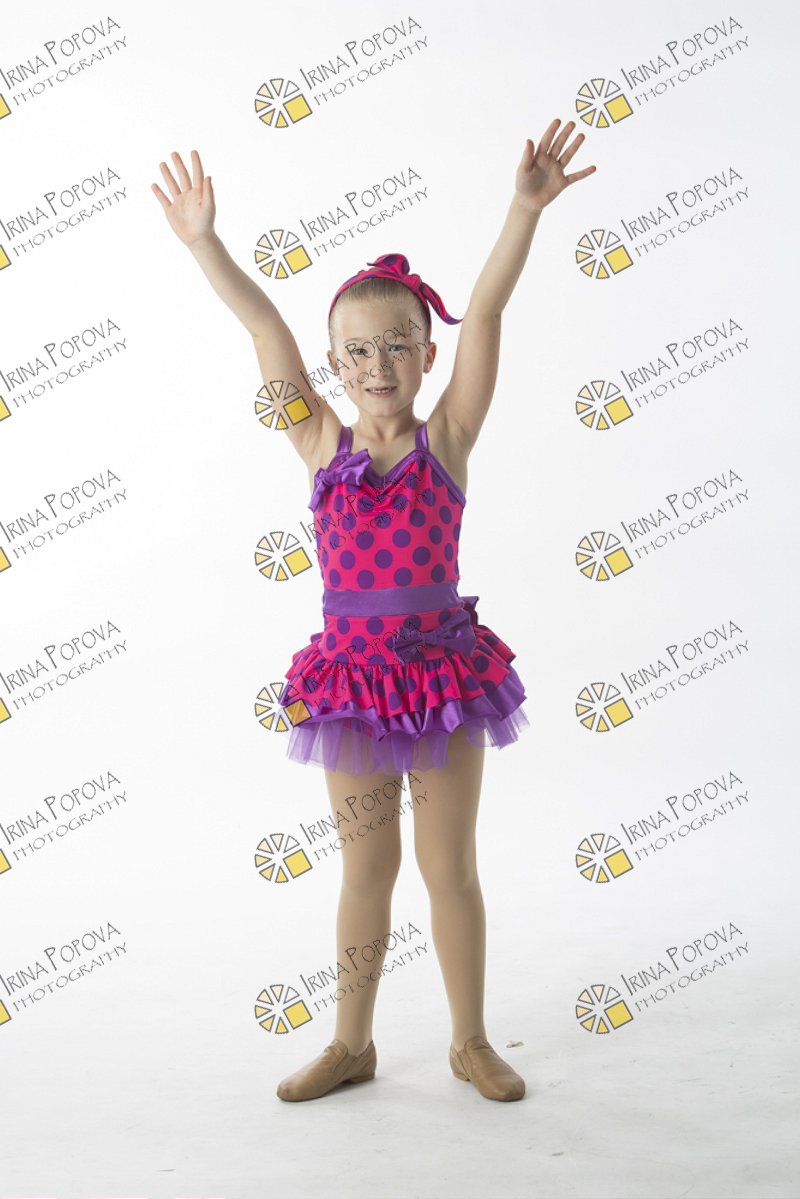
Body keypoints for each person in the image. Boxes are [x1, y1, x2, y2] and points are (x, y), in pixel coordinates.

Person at [151, 120, 596, 1103]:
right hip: (351, 684)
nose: (379, 364)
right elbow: (263, 331)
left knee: (449, 867)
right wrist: (204, 243)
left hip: (441, 677)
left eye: (398, 345)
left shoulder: (449, 439)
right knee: (365, 869)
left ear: (427, 355)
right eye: (358, 350)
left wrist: (523, 210)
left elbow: (486, 311)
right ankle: (351, 1041)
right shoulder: (317, 442)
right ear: (333, 363)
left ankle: (468, 1039)